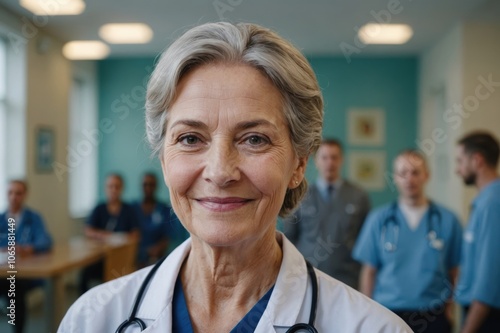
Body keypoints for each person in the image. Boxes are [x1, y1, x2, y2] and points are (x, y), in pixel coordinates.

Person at [59, 22, 410, 332]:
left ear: (299, 165)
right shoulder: (92, 319)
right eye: (190, 139)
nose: (220, 171)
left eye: (254, 139)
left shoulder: (374, 328)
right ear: (164, 161)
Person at [353, 150, 463, 333]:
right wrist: (367, 312)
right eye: (403, 173)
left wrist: (450, 307)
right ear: (395, 177)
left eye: (415, 172)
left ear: (426, 176)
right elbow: (369, 271)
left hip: (433, 314)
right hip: (388, 313)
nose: (409, 179)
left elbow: (454, 271)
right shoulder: (379, 219)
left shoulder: (447, 220)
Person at [284, 138, 370, 289]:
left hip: (348, 279)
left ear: (341, 160)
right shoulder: (300, 196)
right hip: (307, 277)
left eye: (334, 157)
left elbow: (367, 241)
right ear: (316, 161)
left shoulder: (358, 196)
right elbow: (289, 238)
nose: (330, 162)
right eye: (325, 157)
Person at [455, 131, 500, 333]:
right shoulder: (484, 201)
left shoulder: (493, 204)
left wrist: (468, 329)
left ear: (477, 160)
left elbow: (489, 277)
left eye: (460, 161)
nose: (457, 170)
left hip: (486, 316)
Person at [0, 180, 53, 333]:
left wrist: (27, 248)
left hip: (26, 274)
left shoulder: (33, 218)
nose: (13, 197)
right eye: (10, 192)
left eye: (18, 193)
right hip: (3, 271)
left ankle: (18, 330)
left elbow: (45, 241)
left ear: (25, 195)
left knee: (14, 286)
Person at [79, 173, 140, 294]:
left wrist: (121, 238)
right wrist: (105, 236)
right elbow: (88, 230)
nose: (113, 190)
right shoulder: (99, 208)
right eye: (110, 186)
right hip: (100, 258)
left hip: (121, 259)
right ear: (105, 188)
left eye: (117, 186)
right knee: (84, 275)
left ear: (122, 188)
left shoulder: (129, 210)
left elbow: (136, 235)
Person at [133, 172, 182, 267]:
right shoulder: (132, 208)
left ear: (156, 187)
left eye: (151, 184)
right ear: (141, 186)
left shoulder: (164, 209)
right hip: (134, 256)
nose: (148, 188)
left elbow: (168, 236)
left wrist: (156, 250)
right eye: (145, 184)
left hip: (157, 257)